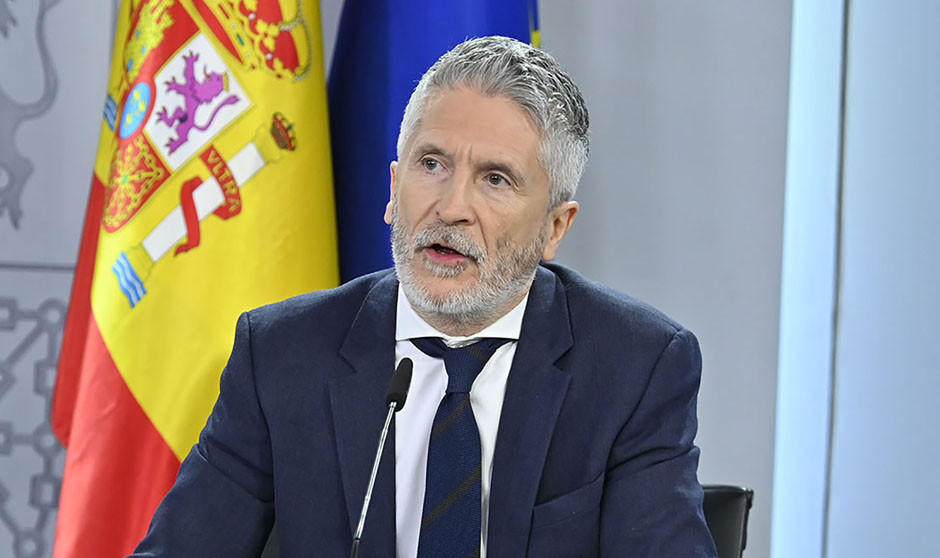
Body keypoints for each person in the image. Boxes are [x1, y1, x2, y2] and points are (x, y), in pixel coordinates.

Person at [132, 36, 717, 557]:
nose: (451, 207)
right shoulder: (283, 355)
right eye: (432, 164)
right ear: (394, 189)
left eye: (495, 179)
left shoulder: (633, 368)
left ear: (554, 227)